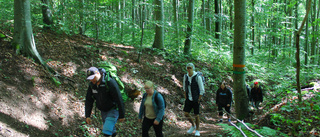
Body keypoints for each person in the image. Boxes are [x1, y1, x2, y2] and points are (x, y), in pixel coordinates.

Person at [85, 67, 125, 137]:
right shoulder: (92, 85)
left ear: (98, 73)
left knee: (106, 131)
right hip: (103, 111)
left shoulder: (110, 82)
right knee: (111, 130)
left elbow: (119, 98)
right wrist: (87, 115)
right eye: (90, 78)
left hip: (113, 109)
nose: (91, 80)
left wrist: (122, 115)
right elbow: (89, 100)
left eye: (93, 77)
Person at [183, 63, 205, 136]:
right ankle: (193, 125)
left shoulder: (197, 77)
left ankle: (197, 130)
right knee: (186, 113)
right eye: (188, 68)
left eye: (190, 68)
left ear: (193, 68)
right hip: (188, 98)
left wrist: (198, 99)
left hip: (195, 98)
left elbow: (202, 89)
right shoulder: (185, 77)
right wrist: (186, 97)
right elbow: (184, 88)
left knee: (196, 115)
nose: (189, 69)